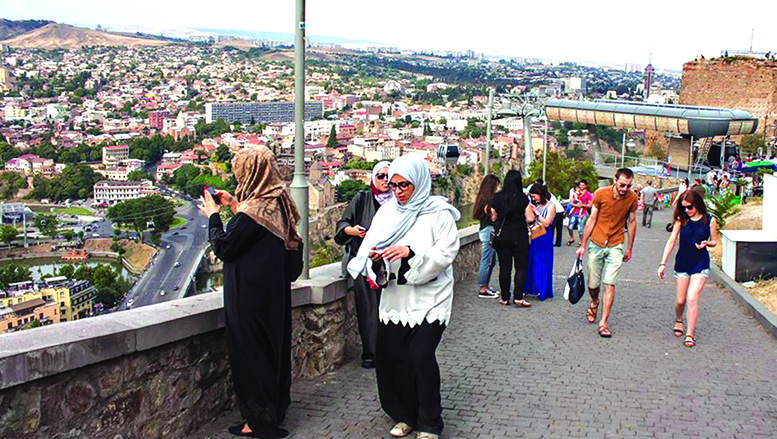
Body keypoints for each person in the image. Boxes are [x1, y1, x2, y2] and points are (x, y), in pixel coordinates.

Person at [347, 154, 460, 439]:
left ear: (418, 182)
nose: (397, 191)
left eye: (403, 185)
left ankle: (429, 421)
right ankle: (404, 414)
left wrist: (411, 253)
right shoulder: (387, 214)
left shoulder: (438, 213)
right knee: (392, 358)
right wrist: (375, 260)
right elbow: (370, 250)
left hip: (431, 298)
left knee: (420, 357)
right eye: (393, 185)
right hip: (396, 299)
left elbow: (446, 251)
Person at [199, 146, 303, 439]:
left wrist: (213, 215)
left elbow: (225, 247)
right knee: (271, 352)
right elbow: (259, 235)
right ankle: (274, 410)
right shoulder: (277, 203)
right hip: (272, 295)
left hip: (249, 298)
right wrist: (235, 205)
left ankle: (257, 422)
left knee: (251, 356)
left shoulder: (252, 213)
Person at [334, 160, 392, 369]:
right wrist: (352, 231)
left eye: (389, 176)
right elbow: (343, 224)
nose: (385, 180)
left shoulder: (398, 202)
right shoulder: (362, 199)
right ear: (374, 178)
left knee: (389, 307)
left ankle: (389, 350)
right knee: (368, 308)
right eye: (380, 176)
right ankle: (371, 353)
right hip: (363, 262)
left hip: (390, 262)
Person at [576, 168, 638, 338]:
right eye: (622, 185)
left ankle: (603, 323)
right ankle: (594, 301)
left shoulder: (632, 198)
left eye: (628, 186)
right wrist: (582, 244)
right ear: (615, 180)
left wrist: (629, 248)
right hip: (596, 242)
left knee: (609, 283)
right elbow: (592, 219)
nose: (625, 189)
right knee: (593, 284)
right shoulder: (600, 193)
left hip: (616, 244)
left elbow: (632, 222)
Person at [657, 190, 717, 348]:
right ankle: (679, 319)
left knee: (692, 298)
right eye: (684, 207)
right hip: (683, 262)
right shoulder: (681, 220)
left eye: (689, 207)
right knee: (680, 300)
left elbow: (714, 241)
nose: (687, 210)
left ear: (697, 204)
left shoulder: (710, 220)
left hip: (700, 263)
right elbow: (671, 241)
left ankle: (690, 334)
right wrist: (663, 263)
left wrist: (707, 243)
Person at [491, 170, 535, 307]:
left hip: (502, 237)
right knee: (521, 268)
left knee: (504, 268)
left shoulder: (497, 197)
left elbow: (493, 216)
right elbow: (530, 218)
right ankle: (518, 297)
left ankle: (505, 298)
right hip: (520, 236)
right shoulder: (523, 198)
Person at [472, 174, 501, 298]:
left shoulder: (482, 198)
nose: (498, 188)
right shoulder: (488, 201)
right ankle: (483, 288)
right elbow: (493, 218)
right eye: (496, 186)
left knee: (491, 261)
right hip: (489, 231)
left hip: (486, 230)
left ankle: (486, 286)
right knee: (487, 261)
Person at [526, 185, 555, 301]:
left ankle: (542, 289)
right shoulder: (535, 205)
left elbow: (547, 223)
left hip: (544, 236)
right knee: (532, 261)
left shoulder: (551, 206)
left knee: (542, 261)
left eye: (534, 196)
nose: (533, 199)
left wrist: (537, 213)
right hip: (535, 235)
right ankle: (532, 287)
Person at [566, 180, 593, 246]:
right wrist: (576, 205)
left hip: (582, 213)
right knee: (570, 226)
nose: (581, 186)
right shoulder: (576, 193)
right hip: (574, 212)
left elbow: (590, 205)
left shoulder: (588, 194)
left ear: (585, 186)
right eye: (580, 185)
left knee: (580, 229)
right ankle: (571, 238)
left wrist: (583, 205)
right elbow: (571, 202)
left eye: (583, 185)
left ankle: (581, 241)